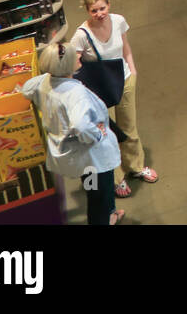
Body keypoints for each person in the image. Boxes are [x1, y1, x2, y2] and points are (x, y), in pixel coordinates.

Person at [19, 41, 124, 225]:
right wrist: (97, 134)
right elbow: (82, 126)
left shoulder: (45, 81)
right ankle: (103, 219)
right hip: (92, 157)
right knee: (99, 193)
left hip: (73, 153)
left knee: (94, 188)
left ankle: (110, 214)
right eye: (72, 55)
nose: (78, 55)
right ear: (65, 64)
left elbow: (26, 88)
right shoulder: (75, 93)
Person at [71, 0, 159, 198]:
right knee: (107, 134)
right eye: (94, 10)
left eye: (102, 8)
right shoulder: (81, 34)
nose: (99, 14)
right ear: (87, 11)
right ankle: (116, 178)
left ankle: (136, 166)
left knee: (129, 128)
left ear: (108, 5)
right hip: (99, 91)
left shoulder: (119, 21)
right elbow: (74, 62)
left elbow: (125, 47)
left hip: (125, 80)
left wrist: (133, 70)